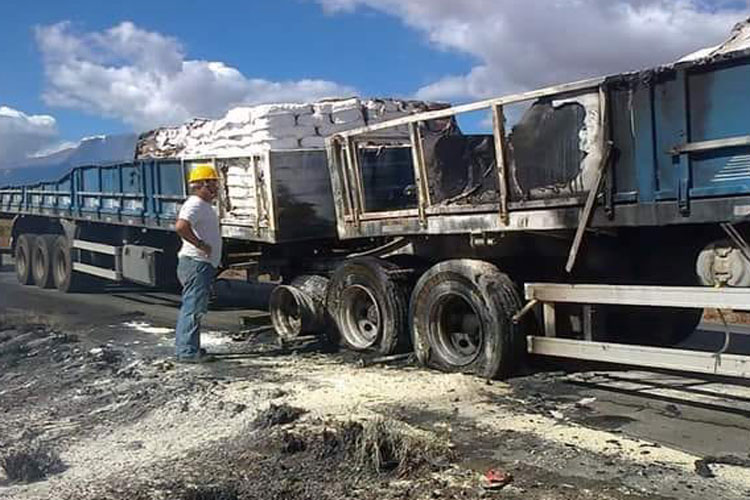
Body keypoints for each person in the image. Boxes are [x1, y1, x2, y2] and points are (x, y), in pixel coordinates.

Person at [174, 163, 222, 362]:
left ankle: (190, 348)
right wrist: (201, 245)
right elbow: (181, 226)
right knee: (192, 307)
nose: (216, 187)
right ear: (202, 184)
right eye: (212, 183)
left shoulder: (203, 205)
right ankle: (187, 352)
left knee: (195, 307)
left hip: (201, 263)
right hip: (196, 262)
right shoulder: (195, 204)